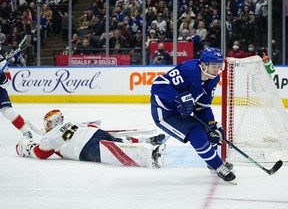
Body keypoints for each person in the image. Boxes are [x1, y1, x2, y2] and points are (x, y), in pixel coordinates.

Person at [150, 47, 236, 182]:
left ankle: (212, 162)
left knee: (211, 133)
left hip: (182, 110)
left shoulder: (213, 79)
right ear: (203, 65)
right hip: (166, 112)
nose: (217, 70)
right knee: (196, 133)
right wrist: (177, 97)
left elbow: (202, 107)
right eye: (214, 66)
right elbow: (158, 85)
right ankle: (218, 166)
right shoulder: (188, 71)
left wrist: (212, 125)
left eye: (219, 66)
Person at [16, 109, 166, 168]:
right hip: (94, 133)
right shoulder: (71, 122)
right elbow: (93, 125)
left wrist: (25, 146)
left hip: (84, 149)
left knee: (116, 151)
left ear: (54, 123)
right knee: (118, 142)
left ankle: (151, 155)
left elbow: (41, 154)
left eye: (48, 123)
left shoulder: (49, 136)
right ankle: (145, 141)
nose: (47, 126)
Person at [0, 54, 32, 138]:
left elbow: (7, 83)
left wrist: (2, 78)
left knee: (8, 112)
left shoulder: (1, 61)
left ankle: (26, 131)